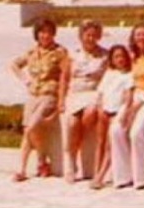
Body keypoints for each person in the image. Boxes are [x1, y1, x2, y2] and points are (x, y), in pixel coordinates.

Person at [10, 18, 70, 182]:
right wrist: (26, 80)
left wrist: (61, 100)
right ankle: (22, 169)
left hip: (49, 96)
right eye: (42, 32)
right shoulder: (32, 52)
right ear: (37, 34)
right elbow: (14, 65)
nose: (45, 35)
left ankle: (42, 161)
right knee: (27, 132)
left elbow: (66, 76)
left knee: (31, 127)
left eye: (49, 32)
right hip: (33, 96)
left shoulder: (60, 52)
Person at [109, 22, 144, 189]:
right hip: (134, 96)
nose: (141, 38)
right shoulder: (134, 57)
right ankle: (123, 175)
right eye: (137, 35)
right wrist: (128, 106)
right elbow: (131, 82)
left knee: (136, 132)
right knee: (116, 129)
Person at [60, 20, 107, 183]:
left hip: (94, 93)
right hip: (75, 94)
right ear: (81, 36)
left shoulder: (104, 55)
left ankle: (76, 150)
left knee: (89, 114)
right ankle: (70, 161)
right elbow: (64, 78)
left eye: (94, 35)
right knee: (72, 123)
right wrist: (61, 100)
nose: (91, 38)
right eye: (87, 35)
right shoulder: (73, 55)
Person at [90, 44, 134, 190]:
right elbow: (101, 92)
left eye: (122, 56)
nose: (119, 59)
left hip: (116, 112)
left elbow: (128, 96)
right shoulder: (109, 73)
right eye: (116, 57)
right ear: (112, 59)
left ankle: (100, 176)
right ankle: (97, 172)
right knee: (99, 142)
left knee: (110, 146)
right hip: (104, 111)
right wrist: (100, 107)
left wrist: (125, 111)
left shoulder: (128, 75)